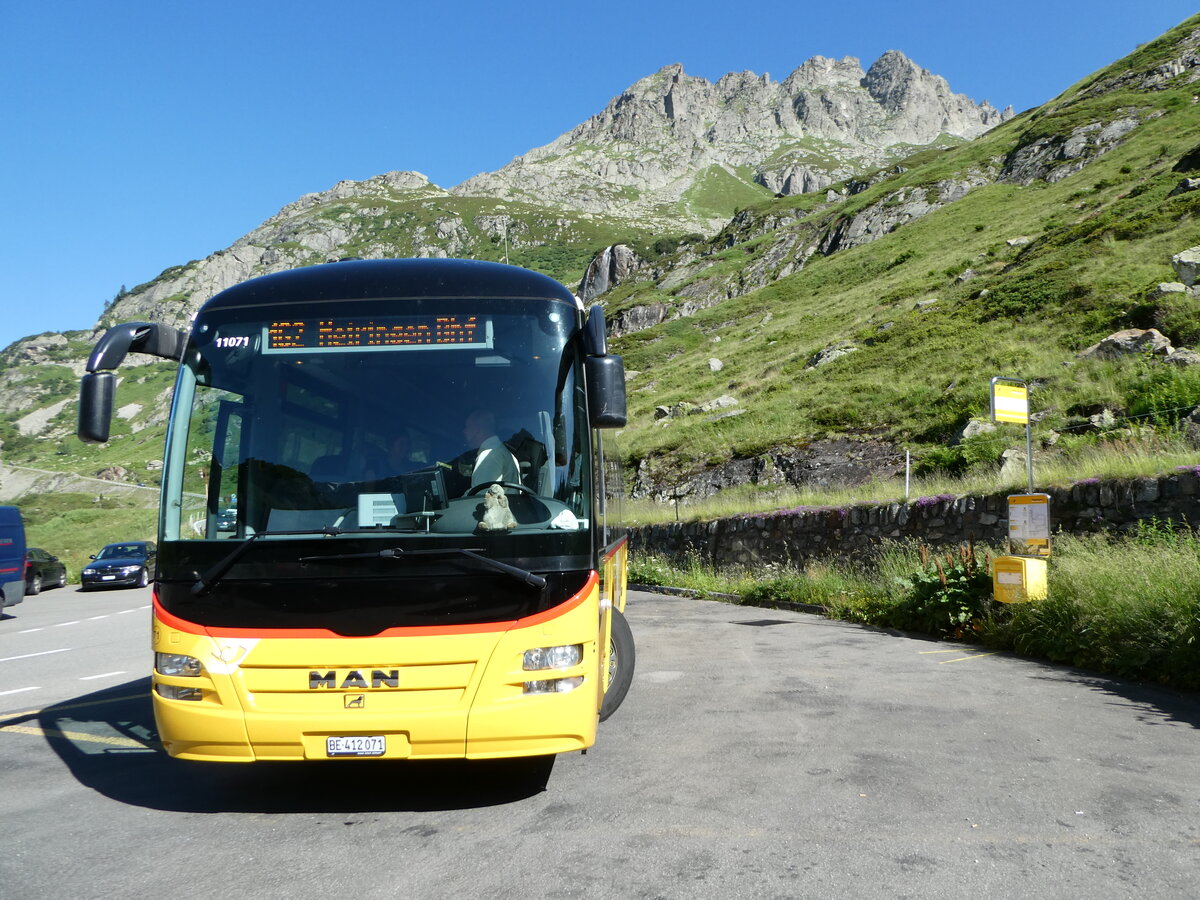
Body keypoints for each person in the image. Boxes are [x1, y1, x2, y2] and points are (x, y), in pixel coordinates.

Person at [462, 410, 521, 489]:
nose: (464, 431)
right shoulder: (509, 455)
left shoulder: (488, 456)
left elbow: (480, 498)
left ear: (477, 430)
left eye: (467, 427)